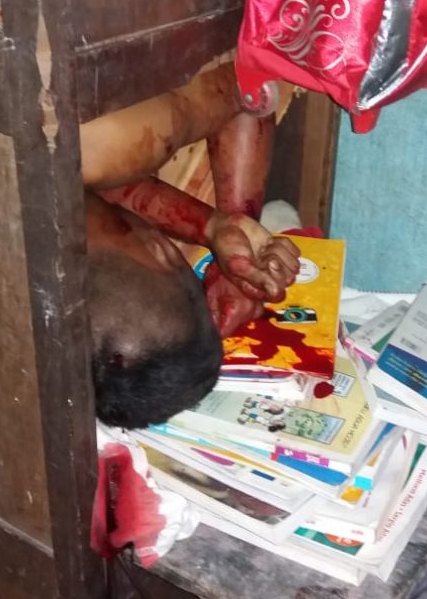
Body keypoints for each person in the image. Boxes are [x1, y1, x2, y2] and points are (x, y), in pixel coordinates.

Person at [80, 61, 300, 428]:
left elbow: (251, 74)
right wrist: (217, 227)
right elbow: (92, 183)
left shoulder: (102, 147)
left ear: (162, 248)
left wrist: (233, 222)